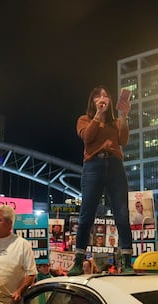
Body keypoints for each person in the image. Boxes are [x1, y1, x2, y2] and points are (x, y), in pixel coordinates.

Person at [68, 85, 134, 275]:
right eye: (98, 96)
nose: (102, 98)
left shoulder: (115, 122)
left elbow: (123, 140)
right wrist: (98, 114)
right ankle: (79, 261)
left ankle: (127, 261)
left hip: (115, 165)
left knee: (121, 214)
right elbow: (87, 137)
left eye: (105, 95)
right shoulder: (84, 119)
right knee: (86, 214)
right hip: (93, 166)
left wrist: (123, 115)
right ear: (93, 102)